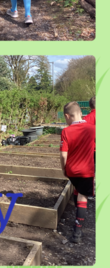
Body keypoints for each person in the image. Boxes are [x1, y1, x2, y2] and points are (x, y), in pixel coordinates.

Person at [60, 101, 96, 243]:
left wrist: (64, 169)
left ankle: (77, 215)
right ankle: (77, 232)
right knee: (83, 196)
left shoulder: (66, 131)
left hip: (72, 171)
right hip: (87, 171)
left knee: (77, 188)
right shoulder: (93, 129)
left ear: (68, 116)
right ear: (81, 113)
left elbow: (63, 155)